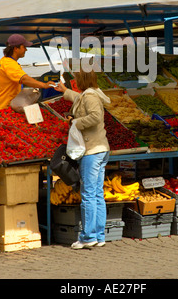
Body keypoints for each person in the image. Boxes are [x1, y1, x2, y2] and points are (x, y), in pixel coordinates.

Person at [55, 68, 111, 249]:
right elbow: (80, 99)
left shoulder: (90, 97)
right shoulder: (91, 94)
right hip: (100, 149)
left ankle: (88, 237)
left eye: (77, 79)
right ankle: (99, 236)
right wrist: (65, 91)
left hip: (92, 150)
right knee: (96, 194)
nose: (75, 82)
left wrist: (75, 122)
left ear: (83, 80)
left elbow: (95, 116)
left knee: (88, 194)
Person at [0, 34, 54, 110]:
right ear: (15, 48)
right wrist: (44, 85)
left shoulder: (5, 60)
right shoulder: (9, 64)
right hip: (3, 108)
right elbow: (24, 79)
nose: (26, 49)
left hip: (3, 106)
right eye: (24, 47)